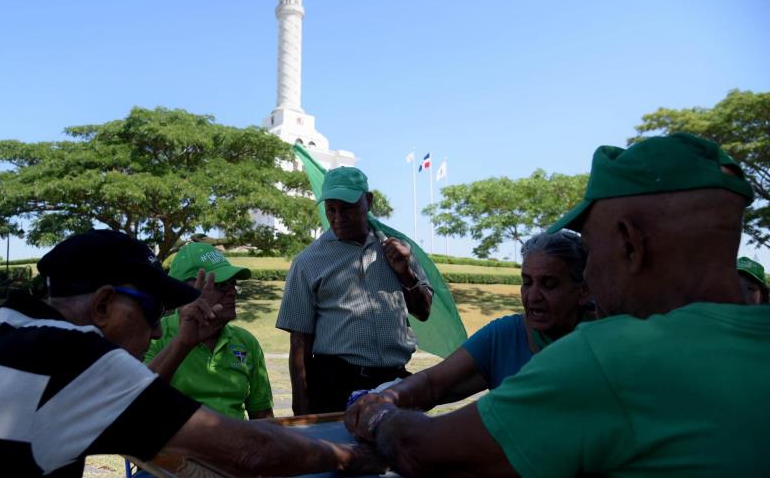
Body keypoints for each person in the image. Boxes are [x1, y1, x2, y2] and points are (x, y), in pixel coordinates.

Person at [346, 133, 769, 476]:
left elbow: (425, 453)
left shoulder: (610, 355)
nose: (590, 271)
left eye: (592, 245)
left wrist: (382, 418)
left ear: (629, 242)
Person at [0, 230, 383, 477]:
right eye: (154, 309)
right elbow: (249, 451)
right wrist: (348, 457)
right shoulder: (77, 358)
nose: (159, 326)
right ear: (102, 304)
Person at [347, 230, 591, 413]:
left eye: (549, 284)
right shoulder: (504, 336)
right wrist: (382, 399)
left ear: (584, 290)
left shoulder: (607, 345)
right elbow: (434, 383)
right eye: (527, 282)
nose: (533, 296)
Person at [276, 166, 433, 415]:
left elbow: (423, 311)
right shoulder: (307, 262)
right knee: (339, 453)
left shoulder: (397, 249)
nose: (338, 217)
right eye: (331, 209)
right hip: (335, 386)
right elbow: (300, 343)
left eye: (347, 208)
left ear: (368, 201)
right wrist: (302, 412)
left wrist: (405, 272)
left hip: (393, 383)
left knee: (399, 452)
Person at [144, 242, 274, 420]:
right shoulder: (154, 336)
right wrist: (182, 344)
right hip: (177, 447)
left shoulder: (246, 341)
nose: (233, 292)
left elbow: (263, 416)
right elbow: (137, 402)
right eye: (221, 285)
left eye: (233, 284)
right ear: (186, 290)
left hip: (237, 444)